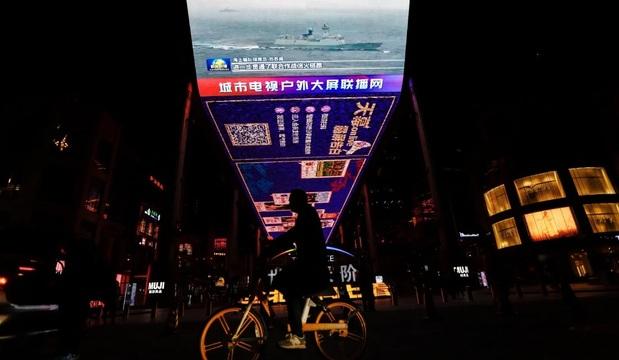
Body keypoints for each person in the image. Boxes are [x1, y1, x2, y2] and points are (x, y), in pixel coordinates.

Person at [265, 189, 330, 350]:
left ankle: (298, 336)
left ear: (299, 201)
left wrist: (271, 247)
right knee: (284, 280)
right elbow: (294, 236)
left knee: (289, 288)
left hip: (313, 269)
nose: (290, 203)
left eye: (292, 200)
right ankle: (300, 318)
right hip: (310, 267)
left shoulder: (307, 215)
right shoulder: (307, 214)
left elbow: (293, 235)